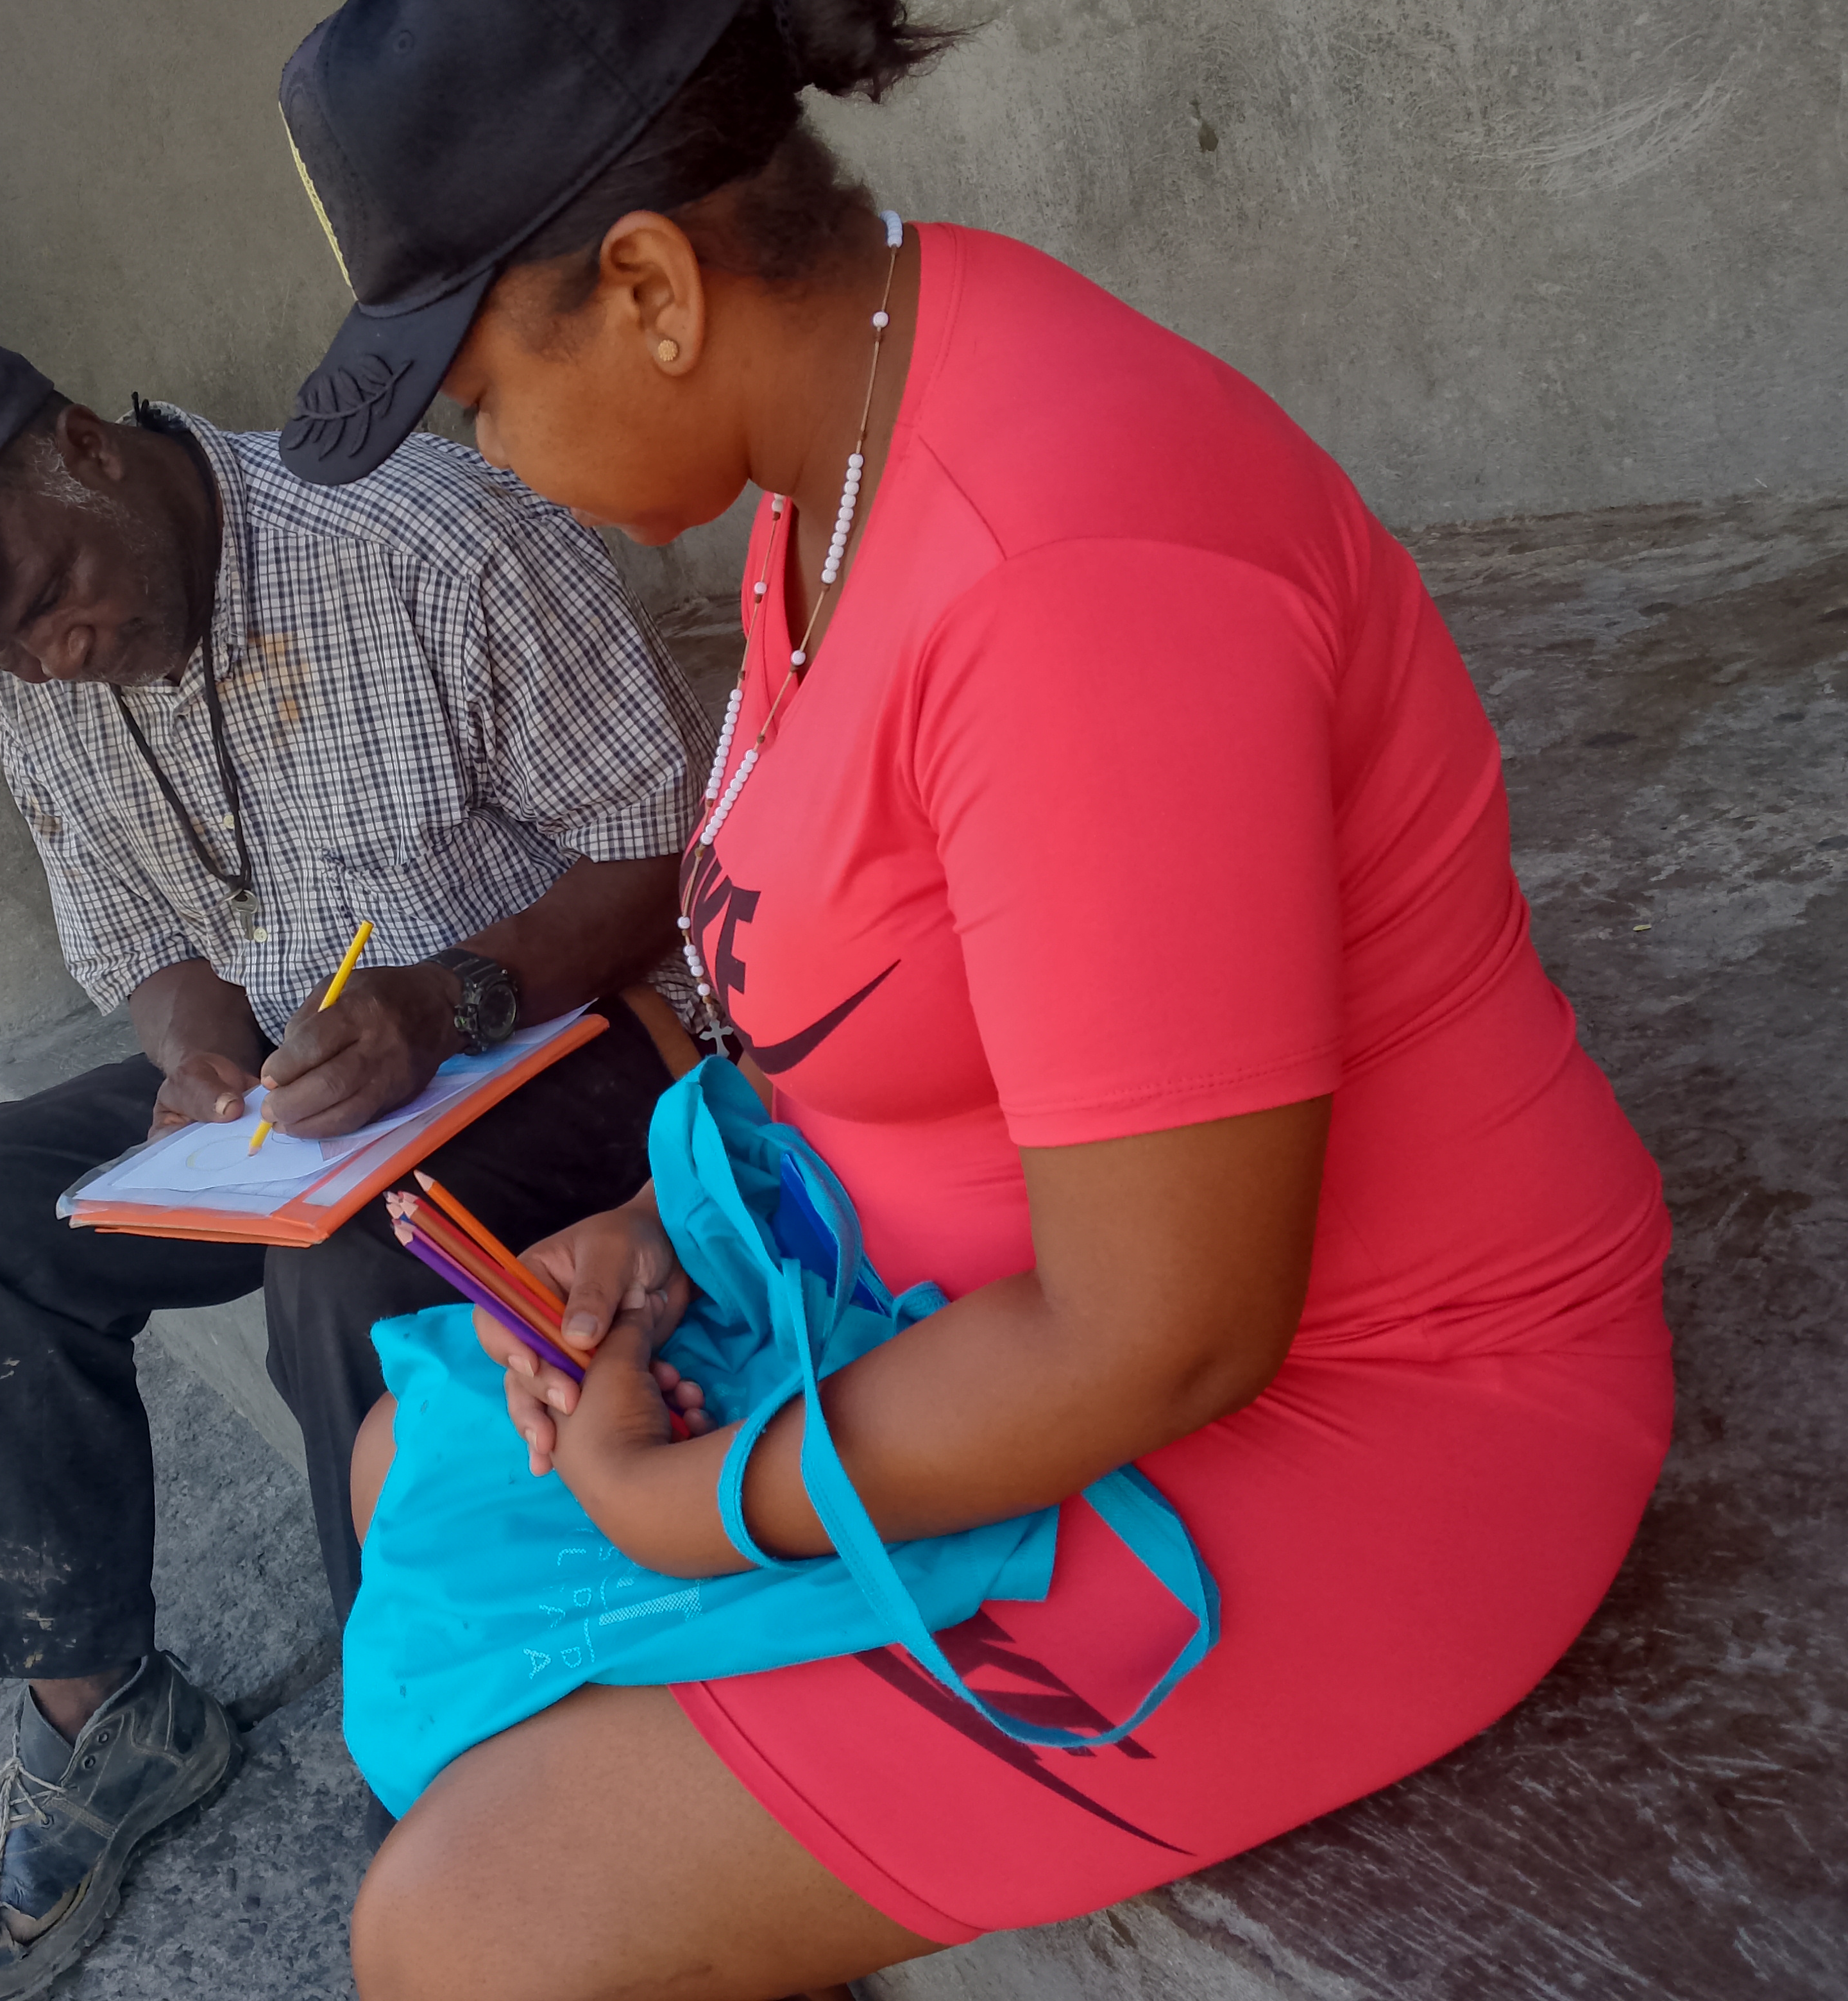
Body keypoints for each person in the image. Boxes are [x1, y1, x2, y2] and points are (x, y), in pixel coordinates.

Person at [273, 4, 1677, 1997]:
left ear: (654, 292)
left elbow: (1168, 1331)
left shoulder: (1065, 567)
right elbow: (903, 980)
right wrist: (655, 1228)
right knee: (412, 1472)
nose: (489, 457)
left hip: (1362, 1408)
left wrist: (701, 1508)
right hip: (972, 1305)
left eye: (480, 397)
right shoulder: (836, 451)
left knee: (469, 1929)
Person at [0, 325, 712, 1998]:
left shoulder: (431, 541)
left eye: (46, 595)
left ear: (83, 445)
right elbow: (139, 932)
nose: (50, 657)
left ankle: (460, 1783)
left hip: (574, 1034)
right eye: (3, 644)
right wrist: (194, 1059)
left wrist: (448, 999)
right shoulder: (45, 670)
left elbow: (660, 854)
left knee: (351, 1263)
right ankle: (108, 1718)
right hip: (314, 1084)